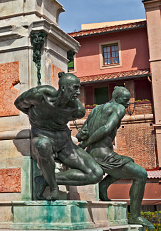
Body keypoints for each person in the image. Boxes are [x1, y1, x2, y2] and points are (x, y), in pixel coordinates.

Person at [14, 72, 103, 201]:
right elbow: (19, 103)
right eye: (75, 88)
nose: (78, 92)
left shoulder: (76, 110)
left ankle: (44, 179)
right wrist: (34, 115)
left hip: (64, 143)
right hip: (41, 138)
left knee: (96, 174)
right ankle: (53, 187)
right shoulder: (40, 95)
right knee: (43, 145)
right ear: (63, 88)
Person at [76, 86, 154, 230]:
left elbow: (82, 132)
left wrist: (83, 141)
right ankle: (135, 216)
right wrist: (86, 142)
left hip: (93, 153)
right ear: (116, 99)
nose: (127, 104)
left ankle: (103, 186)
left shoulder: (95, 109)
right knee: (141, 175)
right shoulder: (118, 108)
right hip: (104, 155)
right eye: (125, 100)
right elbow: (106, 129)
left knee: (130, 161)